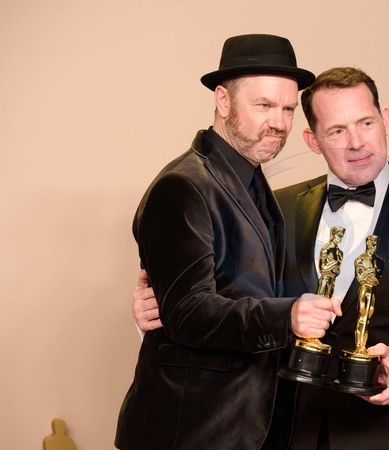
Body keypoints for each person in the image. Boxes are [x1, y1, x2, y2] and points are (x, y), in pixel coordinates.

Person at [134, 67, 389, 449]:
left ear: (386, 120)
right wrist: (162, 309)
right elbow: (220, 303)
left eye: (365, 123)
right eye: (337, 131)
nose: (356, 143)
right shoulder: (273, 208)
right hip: (283, 435)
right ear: (312, 140)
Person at [115, 34, 344, 450]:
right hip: (194, 433)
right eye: (264, 106)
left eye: (288, 109)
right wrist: (287, 317)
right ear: (223, 101)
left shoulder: (254, 182)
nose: (279, 123)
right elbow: (187, 313)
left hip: (251, 429)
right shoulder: (182, 186)